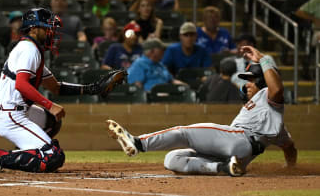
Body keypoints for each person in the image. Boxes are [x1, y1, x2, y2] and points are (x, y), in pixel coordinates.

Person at [107, 46, 297, 177]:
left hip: (238, 139)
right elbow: (290, 147)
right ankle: (224, 168)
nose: (247, 84)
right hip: (236, 154)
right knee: (173, 159)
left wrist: (264, 60)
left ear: (263, 81)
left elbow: (277, 89)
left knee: (184, 132)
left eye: (252, 79)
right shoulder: (275, 122)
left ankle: (139, 143)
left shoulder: (267, 95)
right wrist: (290, 168)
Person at [0, 8, 127, 173]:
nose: (52, 32)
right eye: (47, 28)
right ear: (34, 28)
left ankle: (23, 153)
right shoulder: (28, 49)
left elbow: (55, 87)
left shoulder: (33, 49)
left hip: (18, 110)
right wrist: (49, 105)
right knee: (53, 157)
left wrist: (92, 89)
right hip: (9, 114)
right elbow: (21, 85)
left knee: (52, 121)